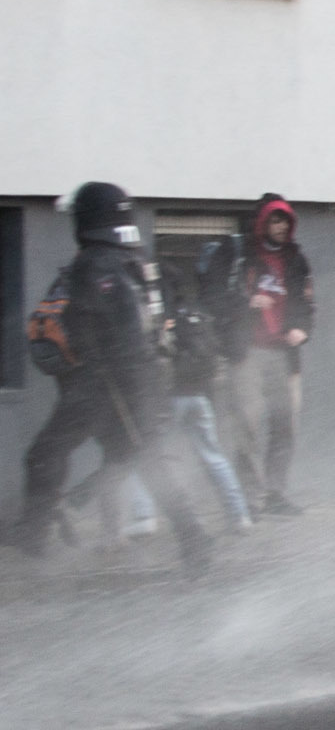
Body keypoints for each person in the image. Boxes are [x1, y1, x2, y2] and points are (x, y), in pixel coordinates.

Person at [7, 183, 213, 574]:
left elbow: (103, 329)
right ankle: (193, 539)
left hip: (105, 383)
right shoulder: (137, 261)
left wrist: (96, 364)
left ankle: (34, 533)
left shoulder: (94, 263)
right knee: (139, 459)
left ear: (88, 220)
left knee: (46, 454)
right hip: (143, 377)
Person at [233, 193, 315, 517]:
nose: (280, 227)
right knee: (248, 425)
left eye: (285, 220)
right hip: (249, 352)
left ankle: (275, 493)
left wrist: (303, 330)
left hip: (285, 355)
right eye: (274, 220)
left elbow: (309, 305)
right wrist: (247, 304)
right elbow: (219, 297)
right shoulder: (243, 257)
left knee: (285, 425)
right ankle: (250, 499)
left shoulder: (297, 260)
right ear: (262, 222)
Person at [162, 262, 256, 532]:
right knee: (213, 457)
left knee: (153, 458)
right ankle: (239, 516)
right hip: (200, 398)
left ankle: (146, 520)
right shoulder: (198, 314)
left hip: (172, 398)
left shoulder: (166, 317)